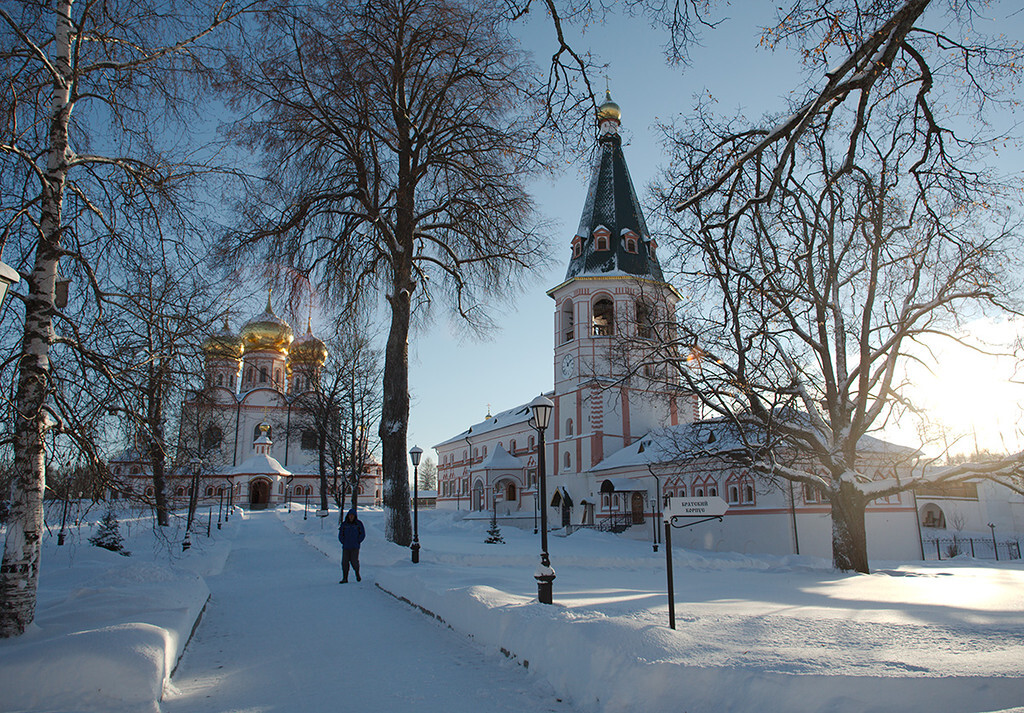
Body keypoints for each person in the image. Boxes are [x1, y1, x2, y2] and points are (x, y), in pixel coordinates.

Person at [337, 508, 366, 583]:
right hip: (346, 546)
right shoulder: (344, 524)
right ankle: (345, 578)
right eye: (350, 515)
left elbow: (362, 534)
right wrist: (343, 541)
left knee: (354, 561)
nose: (351, 517)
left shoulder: (358, 524)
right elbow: (340, 534)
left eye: (352, 515)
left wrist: (358, 541)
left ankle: (357, 573)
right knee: (344, 562)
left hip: (355, 547)